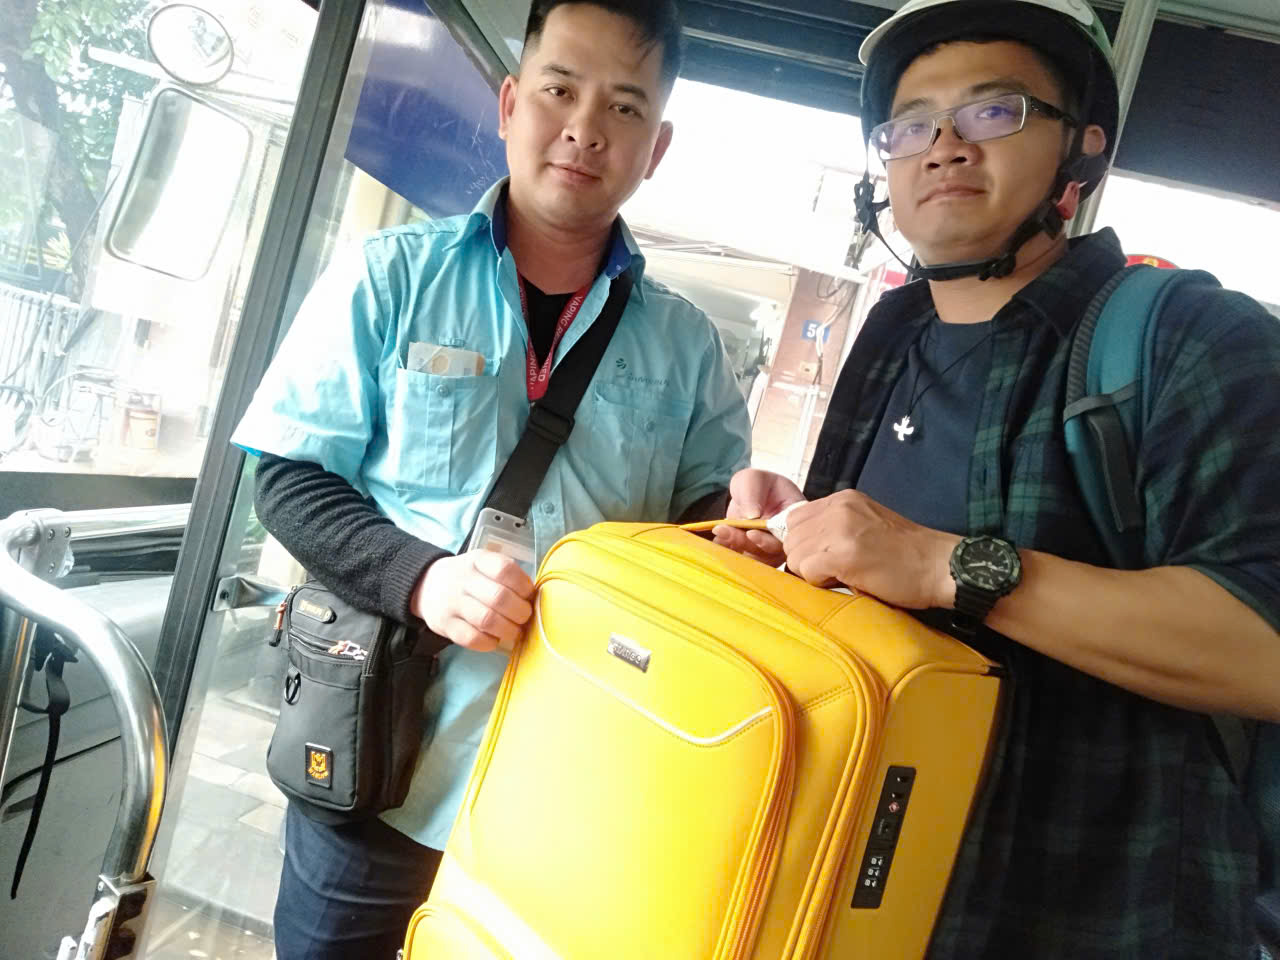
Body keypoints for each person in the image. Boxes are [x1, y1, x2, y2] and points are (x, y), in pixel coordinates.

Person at [713, 1, 1280, 956]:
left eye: (993, 110)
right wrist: (805, 540)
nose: (943, 146)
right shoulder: (891, 336)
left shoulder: (1190, 337)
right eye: (910, 124)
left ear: (1082, 148)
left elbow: (1263, 648)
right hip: (862, 899)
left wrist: (944, 565)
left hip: (1084, 916)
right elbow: (886, 581)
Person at [232, 2, 750, 955]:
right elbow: (290, 480)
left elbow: (705, 522)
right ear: (512, 104)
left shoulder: (687, 347)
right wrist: (422, 579)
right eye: (560, 90)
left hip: (569, 793)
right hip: (376, 762)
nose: (585, 129)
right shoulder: (388, 278)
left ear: (657, 147)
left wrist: (746, 529)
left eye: (625, 107)